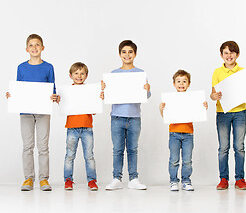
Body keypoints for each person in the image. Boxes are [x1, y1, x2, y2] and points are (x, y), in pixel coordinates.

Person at [6, 34, 57, 191]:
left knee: (43, 146)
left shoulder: (48, 67)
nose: (34, 48)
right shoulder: (21, 67)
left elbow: (52, 87)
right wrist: (12, 95)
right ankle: (28, 178)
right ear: (27, 49)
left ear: (43, 48)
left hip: (43, 111)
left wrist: (54, 96)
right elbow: (19, 88)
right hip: (26, 112)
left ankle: (43, 179)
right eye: (31, 45)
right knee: (27, 146)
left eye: (37, 45)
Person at [210, 41, 246, 190]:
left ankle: (240, 179)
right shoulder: (217, 72)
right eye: (226, 53)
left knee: (239, 147)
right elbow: (212, 94)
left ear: (237, 55)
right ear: (221, 55)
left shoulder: (243, 72)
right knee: (223, 148)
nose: (229, 55)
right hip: (222, 113)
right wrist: (214, 96)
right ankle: (223, 179)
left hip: (239, 112)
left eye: (232, 52)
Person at [103, 40, 151, 190]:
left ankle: (133, 178)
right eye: (124, 52)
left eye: (130, 52)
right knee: (117, 149)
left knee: (132, 149)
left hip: (134, 117)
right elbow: (107, 96)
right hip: (117, 116)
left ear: (135, 54)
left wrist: (147, 89)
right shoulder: (113, 74)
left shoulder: (140, 73)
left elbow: (146, 96)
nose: (127, 55)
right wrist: (104, 89)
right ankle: (116, 178)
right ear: (119, 54)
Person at [57, 62, 102, 191]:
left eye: (82, 73)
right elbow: (62, 106)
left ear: (86, 76)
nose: (79, 76)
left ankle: (92, 181)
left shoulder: (90, 91)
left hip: (87, 127)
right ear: (70, 75)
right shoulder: (66, 92)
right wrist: (59, 100)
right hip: (72, 128)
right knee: (70, 155)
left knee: (89, 156)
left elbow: (93, 110)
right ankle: (68, 180)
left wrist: (98, 98)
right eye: (76, 73)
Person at [159, 70, 208, 191]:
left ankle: (186, 180)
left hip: (188, 134)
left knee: (187, 160)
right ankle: (173, 181)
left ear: (189, 84)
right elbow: (165, 117)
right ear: (174, 83)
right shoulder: (170, 99)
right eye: (179, 81)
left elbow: (198, 113)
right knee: (174, 160)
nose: (181, 84)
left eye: (184, 81)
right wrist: (161, 109)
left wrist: (203, 107)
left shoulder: (193, 99)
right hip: (174, 134)